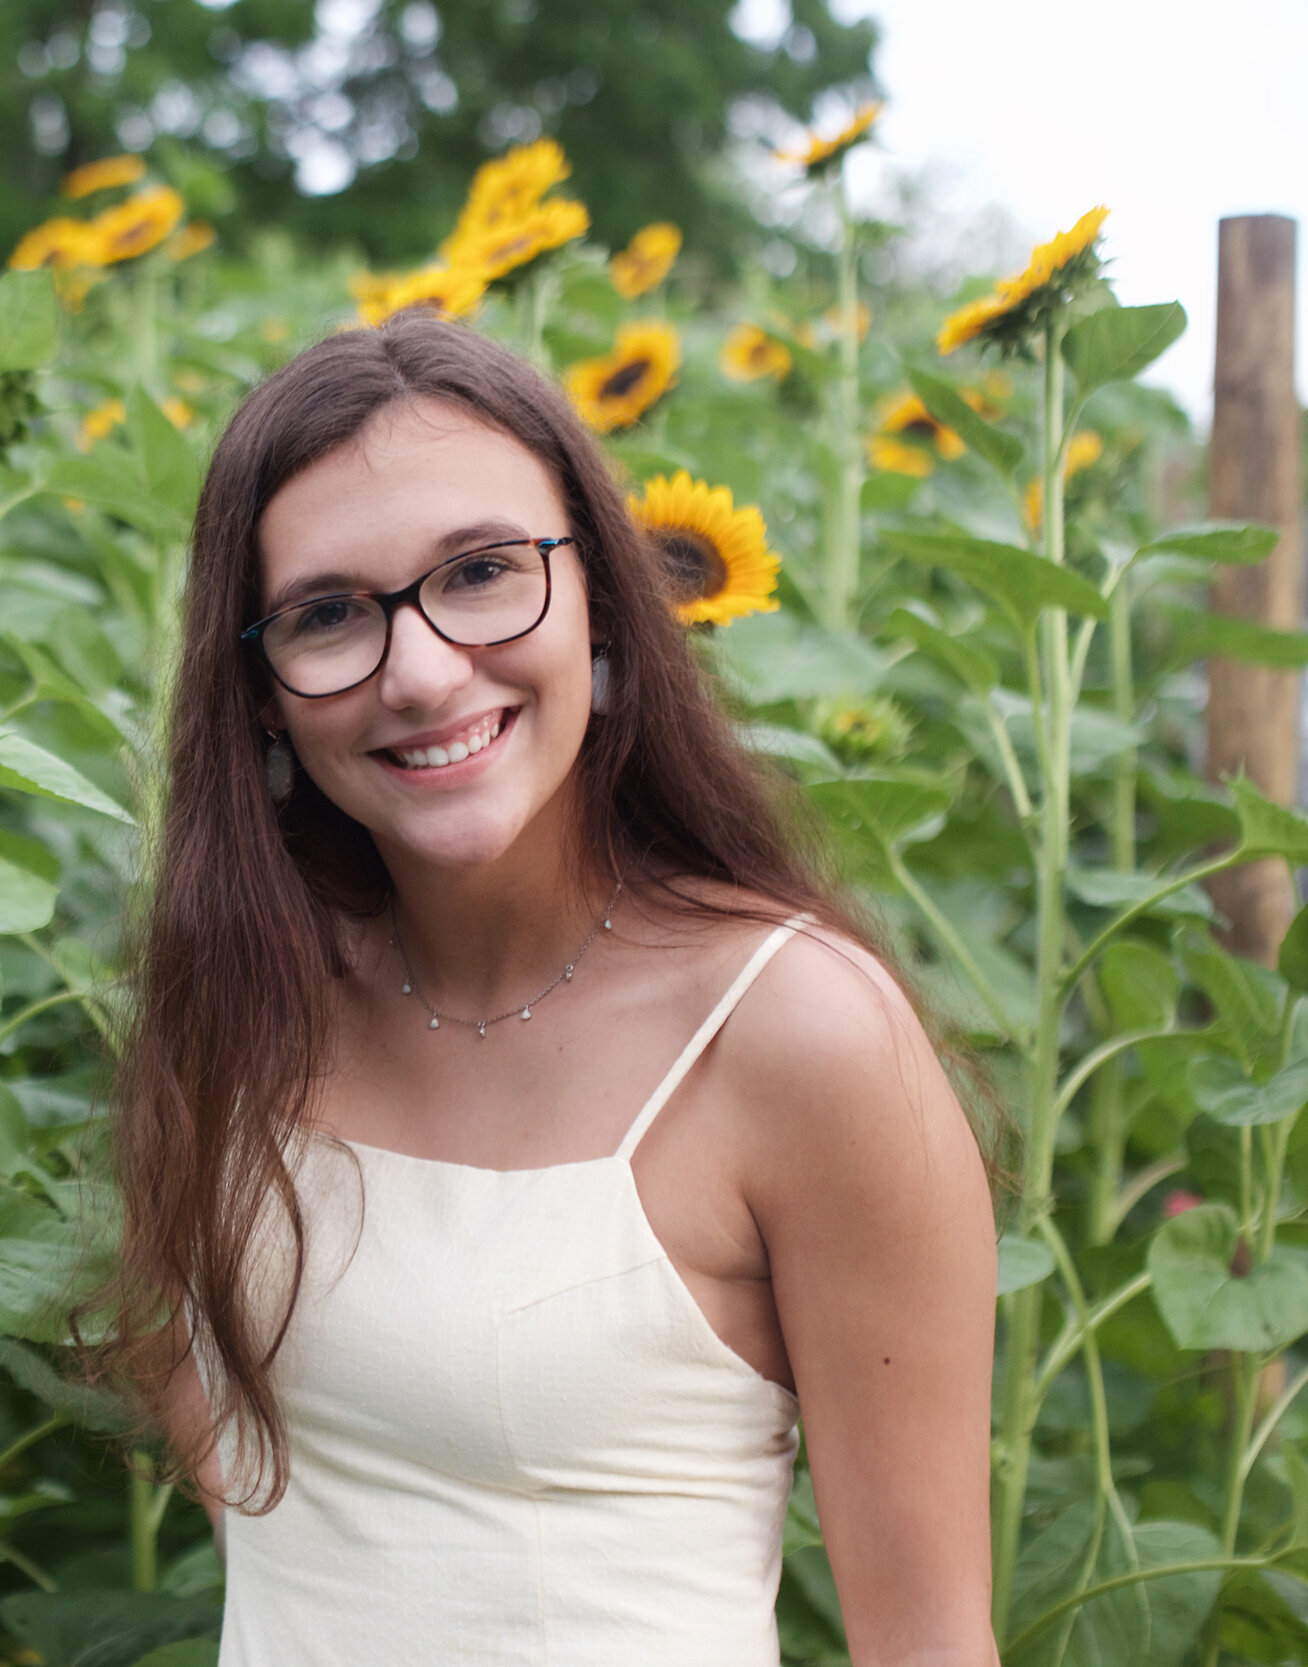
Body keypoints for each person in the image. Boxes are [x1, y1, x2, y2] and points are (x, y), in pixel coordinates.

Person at [82, 311, 998, 1664]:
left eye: (482, 572)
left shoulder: (793, 1034)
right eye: (329, 613)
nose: (423, 670)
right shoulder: (250, 996)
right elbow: (237, 1436)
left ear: (607, 600)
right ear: (262, 690)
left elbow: (926, 1645)